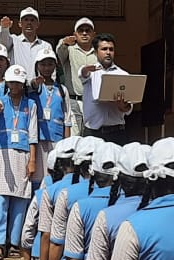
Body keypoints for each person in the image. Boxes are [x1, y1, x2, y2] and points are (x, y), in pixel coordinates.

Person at [0, 65, 37, 259]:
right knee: (0, 198)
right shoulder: (0, 101)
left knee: (20, 200)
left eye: (18, 82)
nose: (15, 85)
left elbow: (33, 134)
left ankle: (14, 242)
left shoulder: (31, 105)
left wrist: (32, 160)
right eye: (11, 82)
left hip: (23, 153)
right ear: (6, 83)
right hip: (2, 153)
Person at [80, 33, 135, 146]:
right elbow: (82, 73)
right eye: (104, 49)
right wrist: (87, 69)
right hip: (93, 133)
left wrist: (123, 105)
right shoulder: (90, 72)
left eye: (111, 49)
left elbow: (129, 108)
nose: (108, 52)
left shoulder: (123, 74)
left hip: (116, 133)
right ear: (95, 52)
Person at [29, 45, 74, 181]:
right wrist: (35, 83)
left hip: (56, 139)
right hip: (38, 139)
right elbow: (29, 86)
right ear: (37, 66)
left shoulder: (62, 90)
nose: (46, 68)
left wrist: (66, 143)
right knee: (37, 177)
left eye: (50, 64)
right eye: (43, 64)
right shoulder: (33, 88)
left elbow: (67, 118)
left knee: (55, 174)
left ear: (55, 65)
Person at [56, 17, 98, 131]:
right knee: (74, 139)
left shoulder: (99, 53)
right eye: (81, 31)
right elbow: (59, 50)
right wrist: (64, 42)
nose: (84, 33)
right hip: (74, 100)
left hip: (94, 102)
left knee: (91, 139)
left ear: (93, 34)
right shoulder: (69, 50)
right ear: (75, 34)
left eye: (88, 30)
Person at [0, 7, 51, 74]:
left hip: (39, 83)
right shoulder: (13, 40)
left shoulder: (45, 46)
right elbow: (3, 42)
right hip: (18, 83)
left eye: (32, 20)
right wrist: (4, 28)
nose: (29, 23)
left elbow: (51, 69)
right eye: (26, 20)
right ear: (20, 24)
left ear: (38, 24)